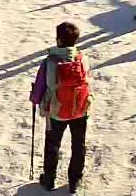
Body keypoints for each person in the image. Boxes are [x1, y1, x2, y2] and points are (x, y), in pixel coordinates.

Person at [29, 21, 90, 193]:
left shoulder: (49, 62)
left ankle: (49, 179)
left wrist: (35, 99)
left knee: (52, 144)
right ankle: (74, 180)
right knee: (78, 144)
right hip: (79, 109)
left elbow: (40, 87)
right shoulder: (82, 58)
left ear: (59, 40)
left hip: (56, 111)